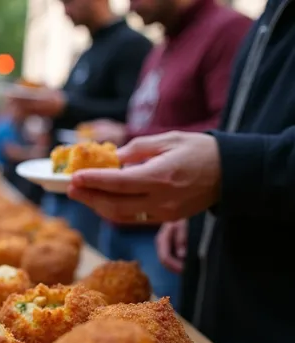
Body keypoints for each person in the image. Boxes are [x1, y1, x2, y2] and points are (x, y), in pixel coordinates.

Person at [68, 0, 295, 343]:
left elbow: (231, 145)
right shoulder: (169, 45)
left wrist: (227, 169)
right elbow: (236, 130)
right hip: (204, 264)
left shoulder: (226, 30)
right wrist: (202, 208)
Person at [77, 0, 252, 310]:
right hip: (121, 225)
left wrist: (128, 136)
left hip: (165, 236)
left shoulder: (228, 30)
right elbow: (149, 121)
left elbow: (233, 128)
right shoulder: (162, 45)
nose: (129, 6)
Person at [9, 0, 152, 248]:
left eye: (69, 2)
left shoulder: (132, 46)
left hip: (95, 194)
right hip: (63, 183)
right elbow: (70, 103)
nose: (65, 11)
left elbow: (135, 112)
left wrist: (64, 105)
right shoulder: (89, 50)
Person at [0, 99, 47, 204]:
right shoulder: (5, 126)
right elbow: (11, 152)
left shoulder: (16, 126)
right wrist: (33, 153)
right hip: (4, 174)